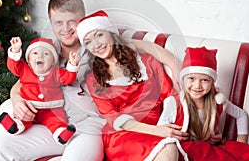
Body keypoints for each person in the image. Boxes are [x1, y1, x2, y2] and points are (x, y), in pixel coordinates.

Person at [0, 0, 187, 161]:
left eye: (72, 21)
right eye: (58, 22)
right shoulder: (47, 52)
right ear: (51, 23)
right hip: (55, 125)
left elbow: (147, 49)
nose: (65, 29)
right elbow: (21, 82)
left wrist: (177, 67)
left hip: (90, 129)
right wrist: (18, 100)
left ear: (83, 20)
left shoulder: (98, 45)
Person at [76, 10, 190, 161]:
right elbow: (113, 117)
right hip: (123, 133)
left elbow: (169, 96)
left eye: (99, 35)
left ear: (112, 34)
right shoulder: (94, 79)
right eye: (88, 42)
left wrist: (164, 126)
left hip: (158, 124)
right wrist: (156, 131)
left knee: (170, 148)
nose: (96, 45)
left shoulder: (147, 62)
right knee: (167, 149)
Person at [158, 46, 249, 161]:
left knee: (244, 152)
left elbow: (241, 115)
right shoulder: (175, 103)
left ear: (212, 83)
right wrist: (170, 134)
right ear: (183, 80)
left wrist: (241, 141)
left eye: (205, 80)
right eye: (191, 78)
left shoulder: (218, 101)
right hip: (184, 149)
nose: (197, 85)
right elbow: (160, 131)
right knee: (201, 149)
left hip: (210, 147)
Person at [0, 36, 80, 145]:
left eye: (46, 54)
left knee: (55, 120)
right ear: (28, 59)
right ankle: (15, 125)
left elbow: (67, 78)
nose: (40, 56)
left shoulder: (56, 73)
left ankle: (61, 133)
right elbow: (13, 66)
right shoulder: (25, 69)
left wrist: (72, 65)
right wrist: (15, 50)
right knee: (22, 118)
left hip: (50, 108)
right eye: (35, 53)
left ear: (52, 62)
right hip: (30, 106)